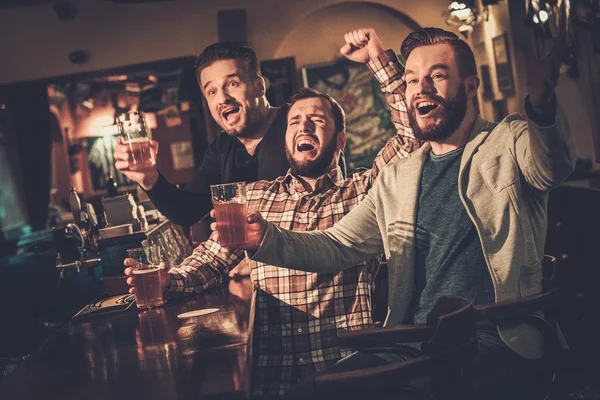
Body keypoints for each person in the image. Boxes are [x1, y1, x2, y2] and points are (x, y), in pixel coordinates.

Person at [227, 27, 575, 399]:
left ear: (471, 86)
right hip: (413, 342)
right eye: (411, 80)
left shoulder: (510, 139)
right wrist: (265, 238)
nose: (421, 88)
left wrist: (541, 106)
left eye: (437, 76)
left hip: (494, 341)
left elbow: (552, 166)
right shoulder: (399, 175)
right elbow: (337, 245)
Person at [124, 35, 420, 396]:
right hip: (271, 378)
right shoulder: (254, 196)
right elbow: (209, 259)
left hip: (345, 373)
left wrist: (378, 60)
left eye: (317, 121)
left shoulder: (362, 191)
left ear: (340, 141)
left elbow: (411, 137)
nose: (304, 127)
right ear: (285, 138)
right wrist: (172, 280)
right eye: (295, 121)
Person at [114, 42, 292, 227]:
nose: (222, 98)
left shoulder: (297, 125)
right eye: (212, 91)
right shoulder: (222, 147)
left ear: (259, 86)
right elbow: (187, 212)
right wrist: (149, 178)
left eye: (232, 84)